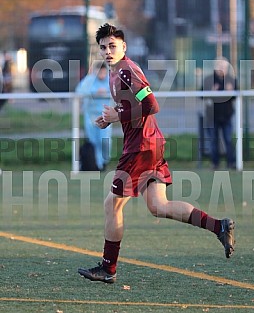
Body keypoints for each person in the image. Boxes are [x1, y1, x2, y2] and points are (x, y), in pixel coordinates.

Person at [78, 24, 235, 284]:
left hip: (140, 147)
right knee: (158, 206)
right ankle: (218, 226)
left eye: (112, 46)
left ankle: (108, 268)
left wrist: (118, 115)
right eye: (103, 47)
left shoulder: (127, 71)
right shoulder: (115, 71)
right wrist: (111, 119)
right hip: (149, 144)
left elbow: (152, 104)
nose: (107, 51)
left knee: (112, 204)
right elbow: (133, 106)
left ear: (123, 47)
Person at [202, 57, 237, 169]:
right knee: (213, 140)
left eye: (224, 66)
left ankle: (231, 162)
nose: (221, 69)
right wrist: (211, 92)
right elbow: (200, 95)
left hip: (226, 116)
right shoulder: (208, 80)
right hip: (212, 116)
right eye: (219, 66)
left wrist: (231, 92)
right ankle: (215, 163)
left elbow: (236, 97)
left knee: (228, 139)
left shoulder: (231, 79)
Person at [76, 62, 112, 171]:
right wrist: (94, 92)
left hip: (106, 116)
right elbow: (79, 92)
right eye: (99, 70)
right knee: (93, 141)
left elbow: (119, 92)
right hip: (91, 115)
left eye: (103, 70)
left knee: (104, 140)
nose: (101, 73)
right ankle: (96, 164)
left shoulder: (110, 80)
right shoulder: (89, 80)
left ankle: (104, 161)